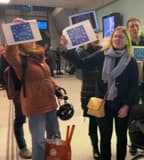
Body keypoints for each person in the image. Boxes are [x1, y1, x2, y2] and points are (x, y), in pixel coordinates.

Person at [60, 26, 139, 160]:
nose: (117, 39)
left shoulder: (130, 60)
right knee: (105, 137)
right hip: (103, 103)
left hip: (122, 105)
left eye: (121, 37)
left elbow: (133, 86)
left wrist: (126, 106)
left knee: (121, 137)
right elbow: (82, 63)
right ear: (111, 38)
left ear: (127, 41)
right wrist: (68, 49)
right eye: (115, 36)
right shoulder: (102, 54)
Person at [4, 17, 62, 160]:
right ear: (21, 44)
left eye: (34, 38)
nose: (34, 41)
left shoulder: (40, 57)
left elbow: (46, 78)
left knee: (55, 136)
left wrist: (57, 88)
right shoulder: (20, 61)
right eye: (29, 38)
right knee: (39, 141)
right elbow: (10, 54)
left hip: (50, 103)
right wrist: (14, 32)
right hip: (35, 106)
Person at [60, 32, 102, 159]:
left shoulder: (103, 52)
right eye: (93, 37)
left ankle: (103, 146)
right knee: (94, 120)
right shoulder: (83, 53)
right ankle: (95, 147)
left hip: (104, 91)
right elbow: (74, 66)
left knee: (105, 121)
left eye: (97, 36)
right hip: (91, 92)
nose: (96, 39)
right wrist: (68, 48)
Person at [0, 50, 32, 159]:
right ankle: (22, 147)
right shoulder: (7, 55)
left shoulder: (31, 53)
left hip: (34, 91)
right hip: (19, 92)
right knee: (20, 119)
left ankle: (38, 144)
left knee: (36, 118)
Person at [126, 17, 144, 155]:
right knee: (132, 115)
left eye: (137, 26)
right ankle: (134, 143)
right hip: (131, 84)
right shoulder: (125, 44)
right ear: (128, 29)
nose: (135, 28)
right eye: (132, 26)